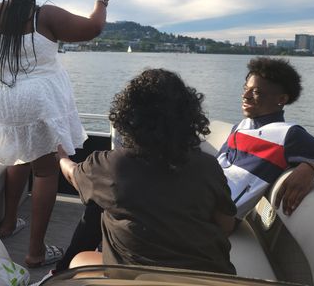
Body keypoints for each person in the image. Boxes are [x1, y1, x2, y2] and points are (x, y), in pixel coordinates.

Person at [0, 0, 120, 268]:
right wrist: (101, 0)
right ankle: (35, 252)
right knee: (44, 171)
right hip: (36, 103)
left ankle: (7, 224)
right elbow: (94, 27)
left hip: (0, 101)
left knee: (17, 157)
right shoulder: (44, 15)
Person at [57, 69, 236, 274]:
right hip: (207, 278)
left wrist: (61, 156)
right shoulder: (208, 166)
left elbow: (72, 174)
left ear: (127, 115)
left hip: (134, 277)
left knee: (79, 259)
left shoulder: (109, 166)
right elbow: (226, 225)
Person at [217, 57, 314, 218]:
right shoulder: (241, 127)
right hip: (201, 199)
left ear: (281, 99)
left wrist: (312, 167)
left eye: (256, 92)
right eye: (245, 88)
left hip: (216, 216)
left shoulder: (288, 136)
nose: (245, 96)